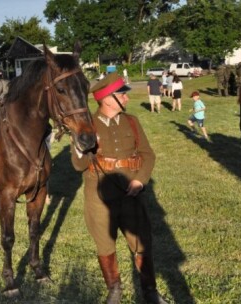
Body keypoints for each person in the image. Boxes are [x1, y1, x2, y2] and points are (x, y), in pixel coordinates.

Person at [70, 73, 168, 304]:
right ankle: (114, 290)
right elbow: (79, 166)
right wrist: (80, 145)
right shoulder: (87, 125)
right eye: (121, 94)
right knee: (104, 243)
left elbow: (147, 154)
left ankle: (150, 291)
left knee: (141, 241)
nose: (126, 98)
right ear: (106, 99)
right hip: (98, 194)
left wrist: (140, 180)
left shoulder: (132, 121)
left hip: (131, 191)